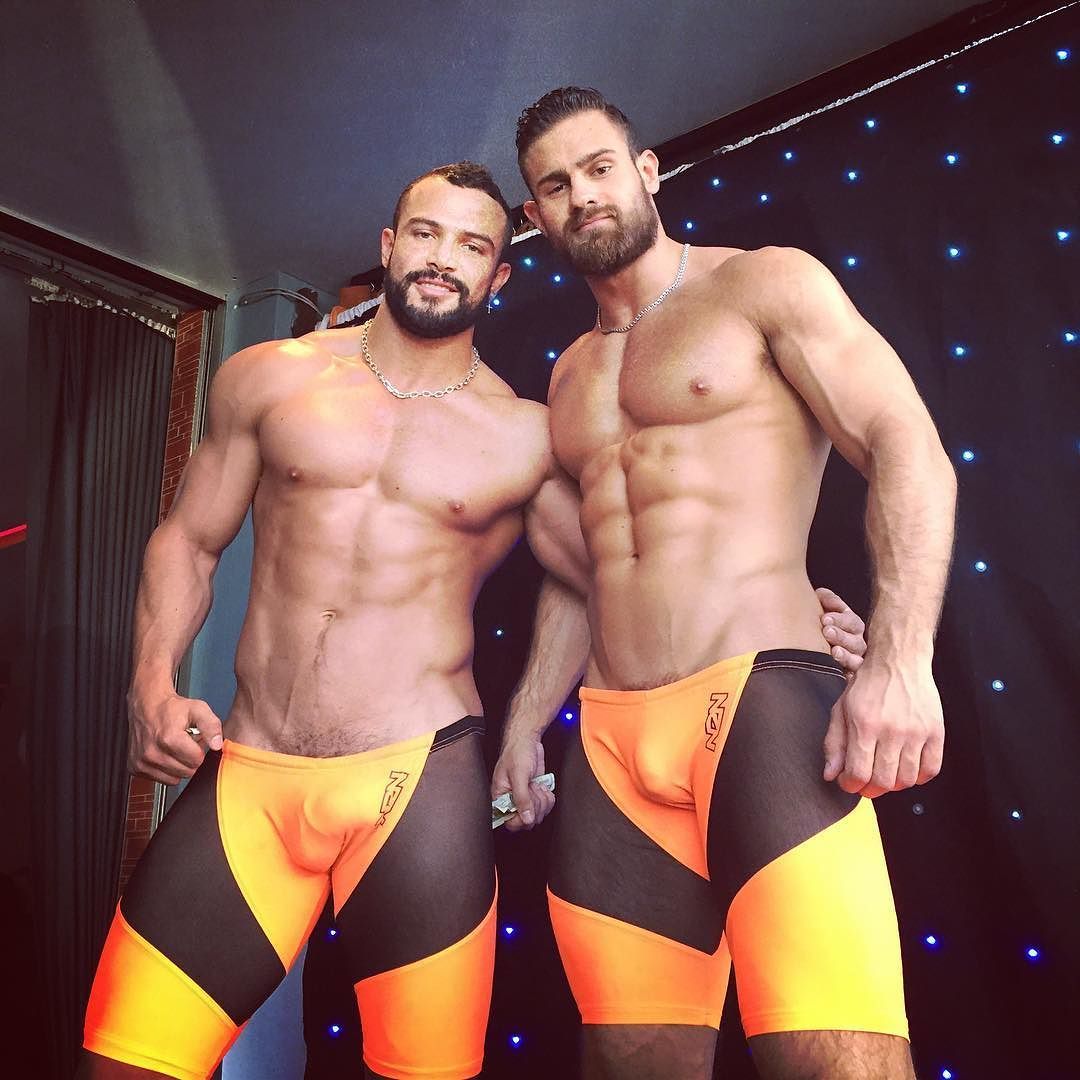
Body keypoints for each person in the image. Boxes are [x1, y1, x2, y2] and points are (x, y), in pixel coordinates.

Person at [79, 160, 866, 1080]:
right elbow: (187, 539)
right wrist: (151, 680)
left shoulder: (524, 434)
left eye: (471, 245)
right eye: (425, 233)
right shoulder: (268, 380)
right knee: (122, 1062)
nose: (442, 258)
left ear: (499, 275)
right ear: (389, 246)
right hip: (250, 773)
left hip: (417, 786)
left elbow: (618, 573)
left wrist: (788, 604)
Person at [495, 87, 956, 1080]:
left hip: (762, 706)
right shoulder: (567, 376)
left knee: (837, 1059)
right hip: (613, 743)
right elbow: (584, 569)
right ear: (535, 216)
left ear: (646, 170)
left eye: (600, 168)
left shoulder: (762, 284)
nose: (584, 195)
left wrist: (899, 659)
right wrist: (527, 720)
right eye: (556, 186)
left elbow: (903, 441)